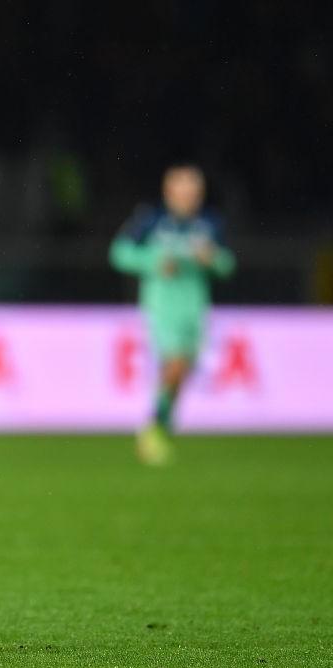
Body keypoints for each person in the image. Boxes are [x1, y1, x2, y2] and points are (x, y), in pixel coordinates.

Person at [110, 163, 235, 465]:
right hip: (162, 303)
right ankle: (153, 429)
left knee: (183, 369)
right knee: (175, 363)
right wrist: (153, 261)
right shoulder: (151, 220)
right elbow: (119, 253)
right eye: (181, 189)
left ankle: (161, 424)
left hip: (194, 305)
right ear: (168, 191)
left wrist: (212, 259)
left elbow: (228, 264)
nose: (187, 195)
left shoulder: (210, 223)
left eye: (193, 190)